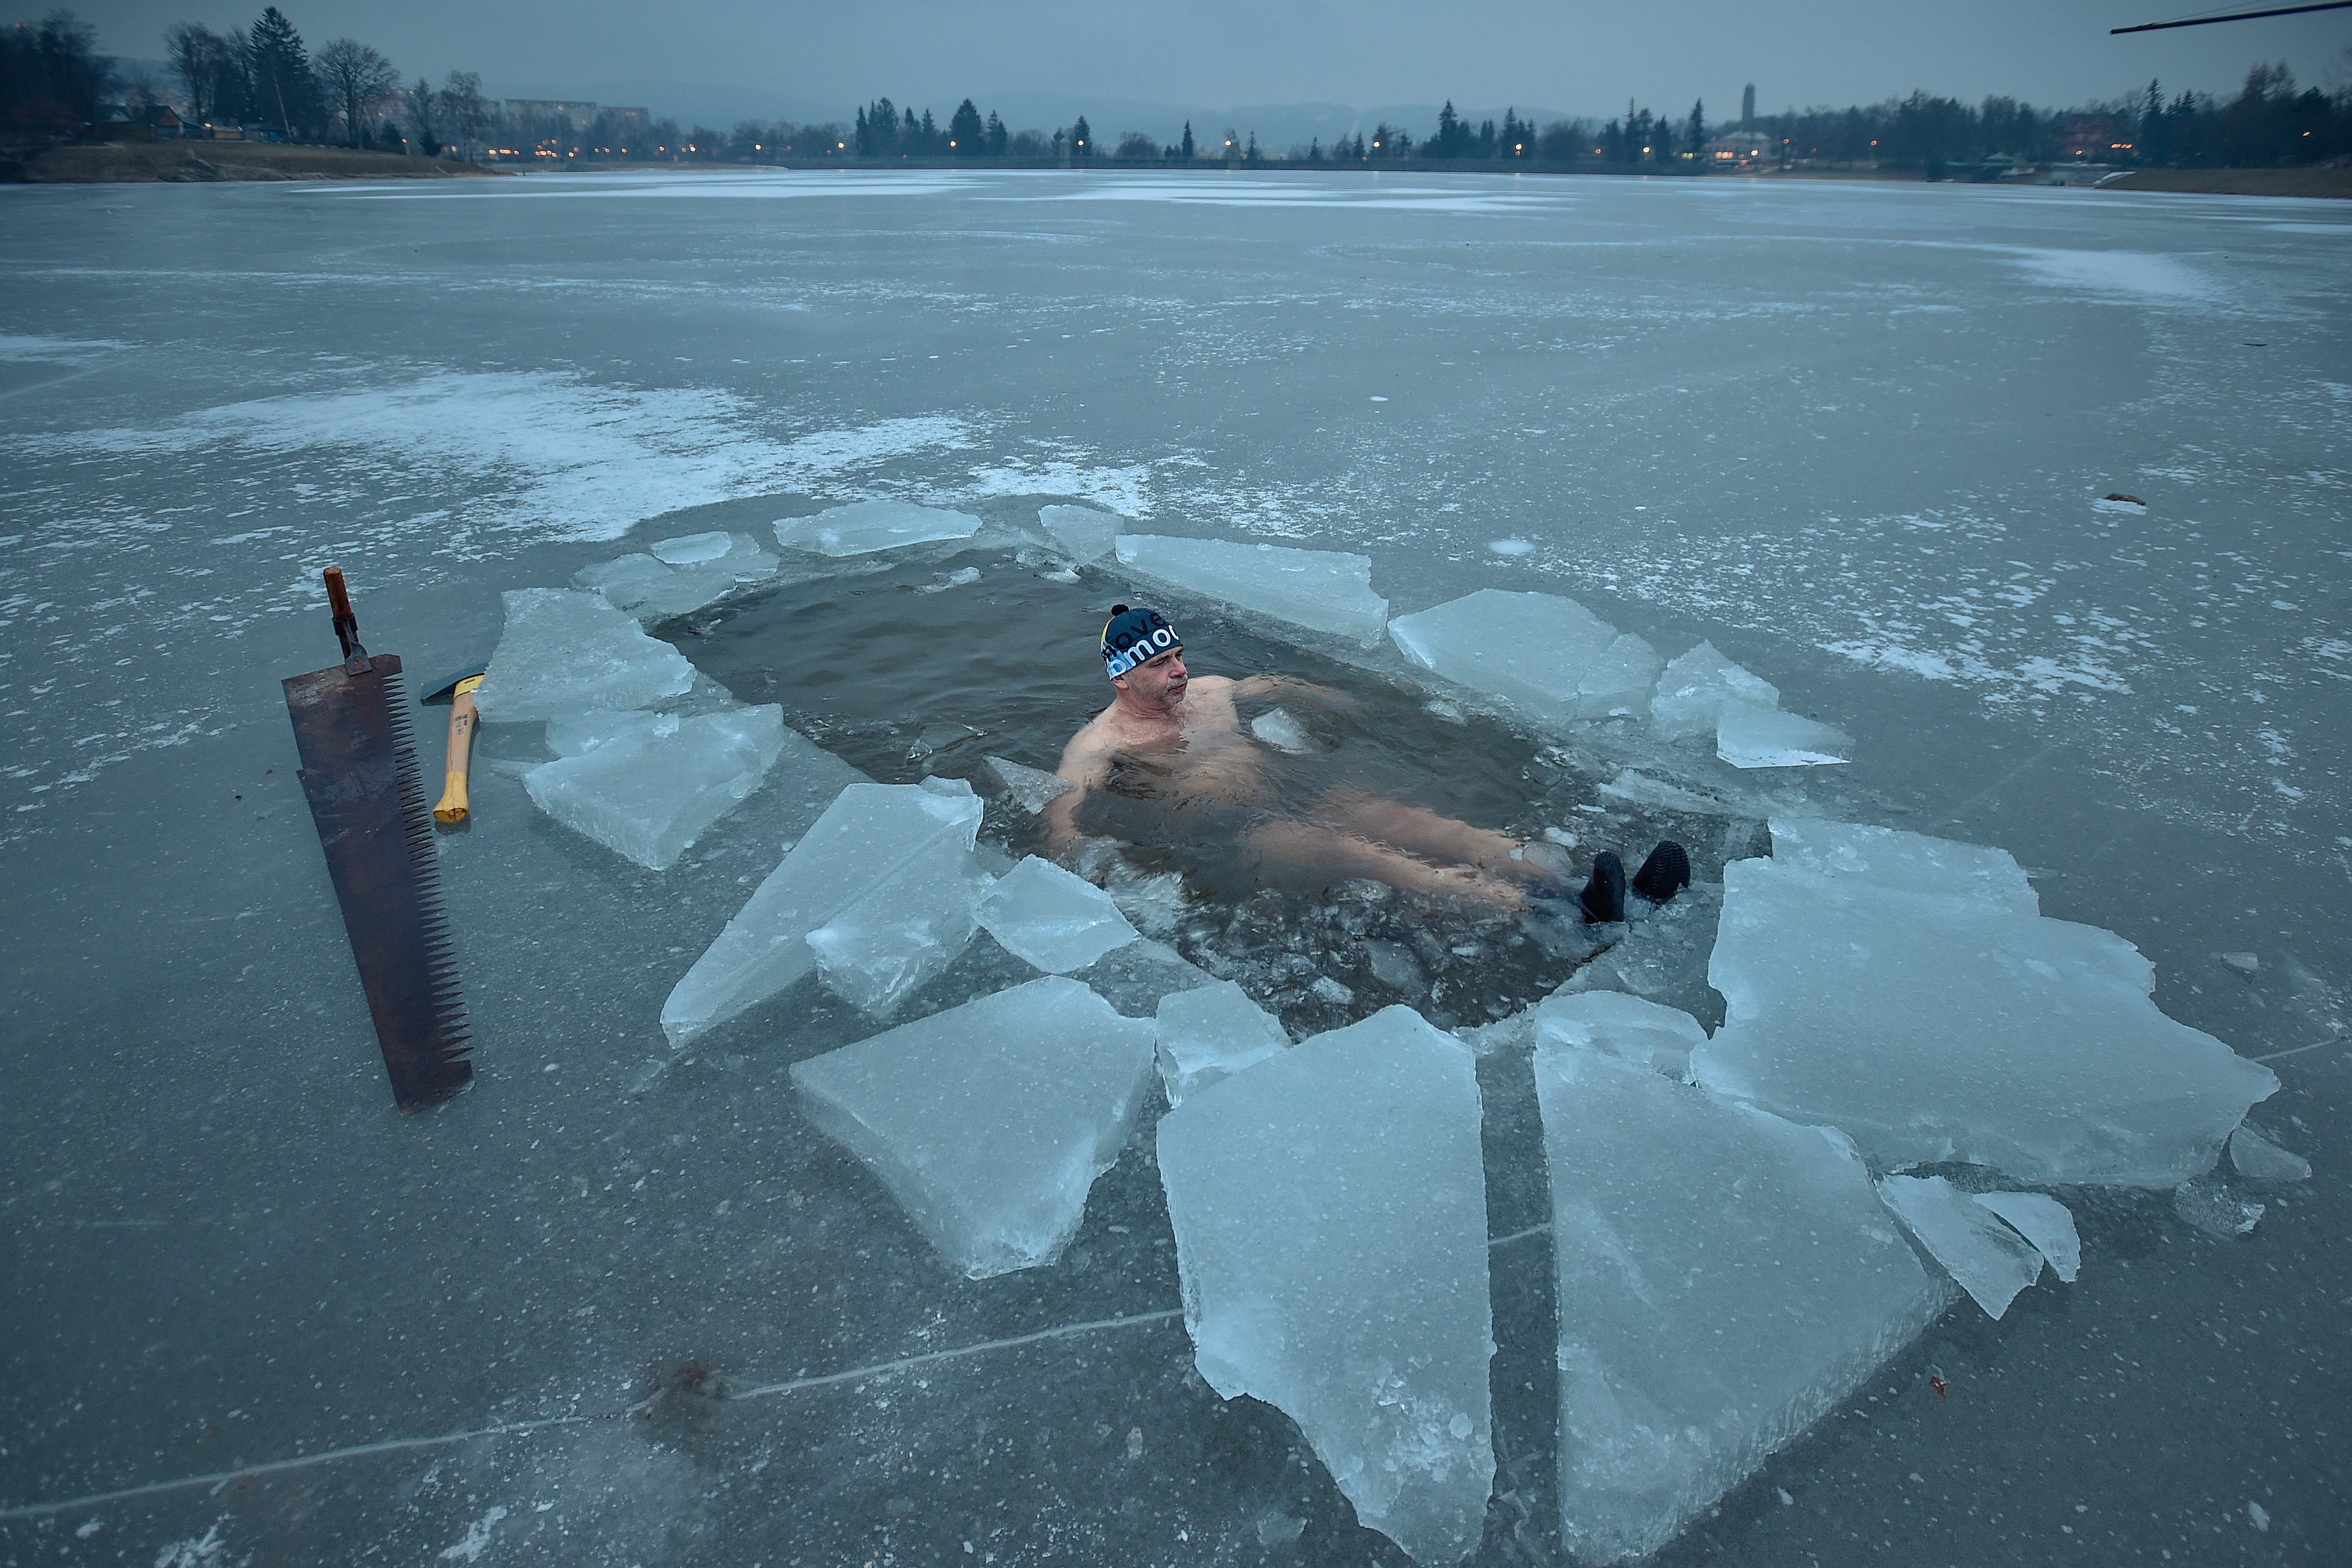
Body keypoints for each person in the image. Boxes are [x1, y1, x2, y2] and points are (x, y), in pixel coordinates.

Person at [1044, 604, 1688, 920]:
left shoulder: (1210, 691)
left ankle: (1585, 886)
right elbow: (1064, 814)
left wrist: (1328, 693)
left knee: (1416, 823)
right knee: (1370, 855)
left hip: (1295, 788)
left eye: (1179, 654)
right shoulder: (1101, 745)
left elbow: (1267, 682)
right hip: (1240, 829)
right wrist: (1081, 866)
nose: (1180, 670)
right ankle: (1557, 917)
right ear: (1122, 678)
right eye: (1161, 664)